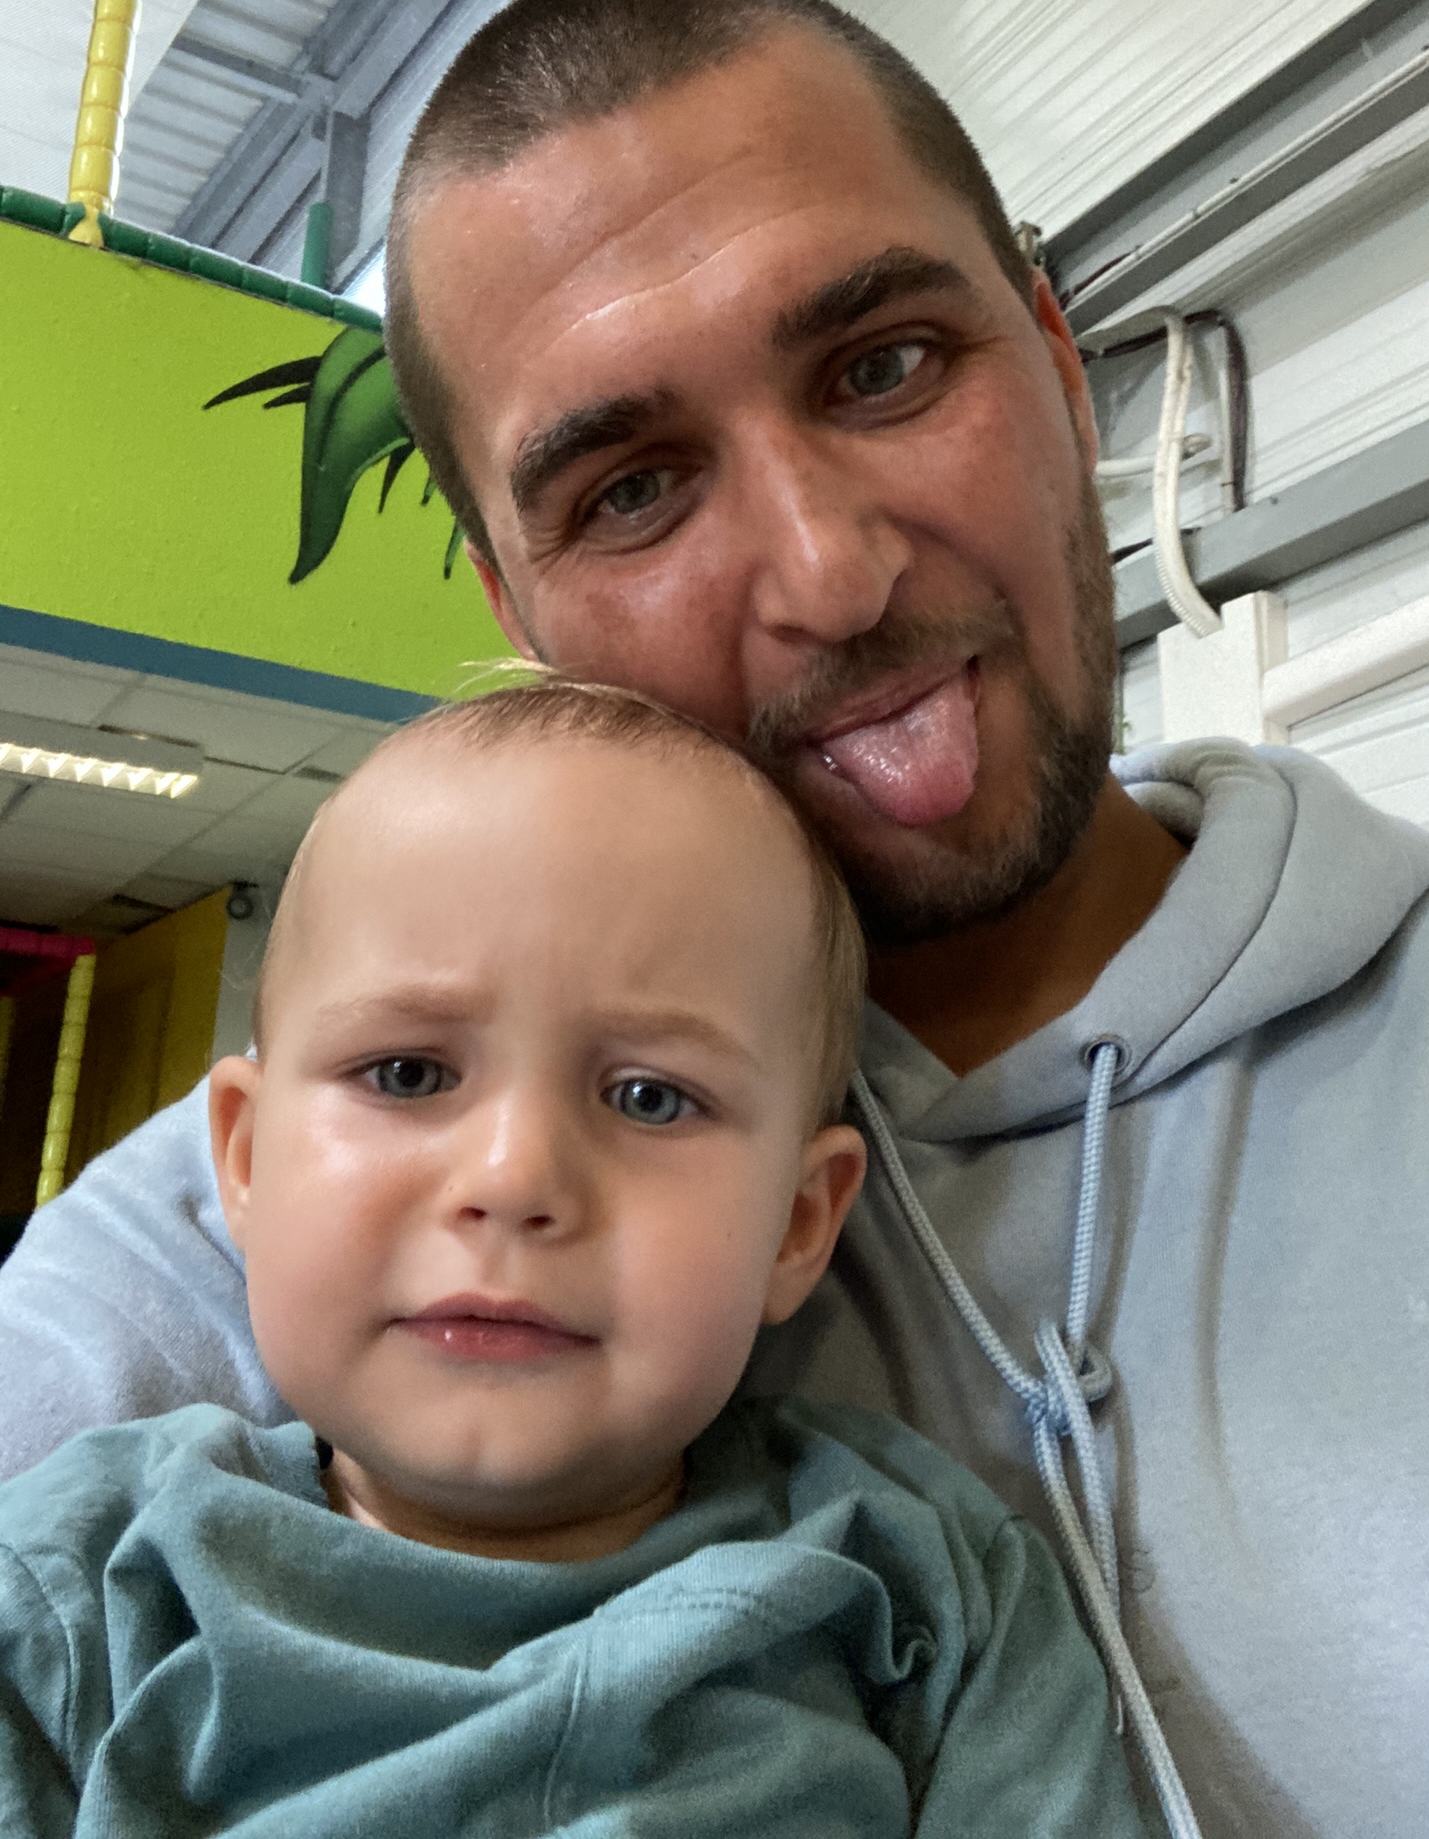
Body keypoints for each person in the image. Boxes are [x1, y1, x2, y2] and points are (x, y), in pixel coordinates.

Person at [1, 0, 1429, 1839]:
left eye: (885, 367)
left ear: (1063, 367)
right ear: (516, 611)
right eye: (634, 489)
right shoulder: (265, 1224)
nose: (827, 575)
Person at [0, 683, 1148, 1839]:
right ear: (246, 1160)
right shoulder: (79, 1591)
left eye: (651, 1098)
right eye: (407, 1074)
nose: (514, 1178)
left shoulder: (922, 1588)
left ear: (800, 1224)